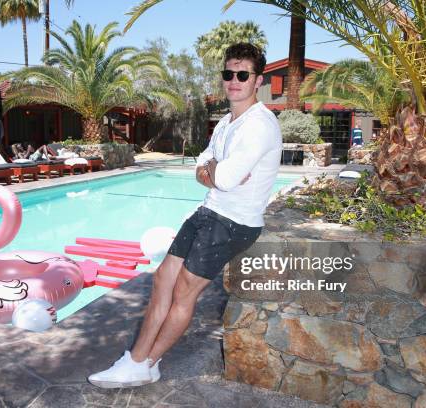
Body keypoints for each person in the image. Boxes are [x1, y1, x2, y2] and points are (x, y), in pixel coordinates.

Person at [88, 43, 283, 388]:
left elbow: (221, 177)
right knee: (163, 277)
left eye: (242, 74)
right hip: (209, 211)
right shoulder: (226, 122)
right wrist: (214, 169)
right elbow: (203, 167)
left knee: (183, 293)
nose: (233, 81)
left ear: (257, 81)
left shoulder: (259, 125)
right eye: (228, 73)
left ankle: (144, 362)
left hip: (232, 223)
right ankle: (140, 361)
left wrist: (216, 171)